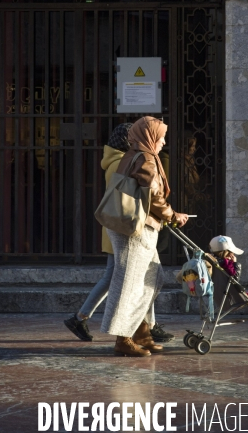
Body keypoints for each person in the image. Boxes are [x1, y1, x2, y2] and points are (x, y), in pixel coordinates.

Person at [64, 125, 176, 344]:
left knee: (137, 275)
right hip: (127, 228)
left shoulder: (121, 159)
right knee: (134, 277)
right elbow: (143, 194)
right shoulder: (126, 162)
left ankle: (142, 326)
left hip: (122, 226)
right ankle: (90, 319)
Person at [101, 116, 189, 357]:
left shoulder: (138, 154)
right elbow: (153, 195)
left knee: (153, 277)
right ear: (149, 136)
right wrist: (172, 215)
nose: (163, 142)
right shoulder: (145, 158)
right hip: (134, 230)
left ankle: (141, 331)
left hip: (140, 227)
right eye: (160, 137)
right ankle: (123, 338)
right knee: (129, 282)